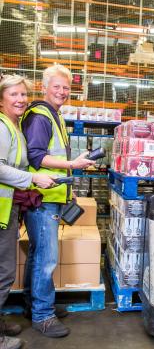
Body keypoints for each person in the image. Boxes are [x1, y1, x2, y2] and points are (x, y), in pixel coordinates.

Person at [21, 65, 95, 338]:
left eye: (66, 88)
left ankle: (33, 305)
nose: (62, 92)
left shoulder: (54, 116)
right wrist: (72, 164)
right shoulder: (41, 116)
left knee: (38, 255)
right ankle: (43, 316)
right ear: (44, 87)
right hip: (42, 198)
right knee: (46, 259)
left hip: (51, 194)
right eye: (57, 87)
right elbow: (36, 157)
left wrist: (67, 188)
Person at [0, 74, 54, 349]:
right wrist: (33, 180)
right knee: (4, 271)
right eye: (13, 95)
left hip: (7, 208)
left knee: (4, 270)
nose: (20, 100)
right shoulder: (2, 127)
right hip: (0, 210)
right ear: (1, 99)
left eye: (23, 95)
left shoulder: (15, 126)